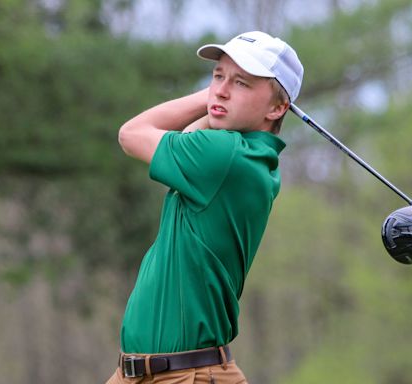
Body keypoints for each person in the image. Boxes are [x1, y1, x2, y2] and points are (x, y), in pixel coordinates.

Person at [106, 31, 304, 384]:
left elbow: (132, 134)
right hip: (146, 373)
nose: (222, 89)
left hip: (186, 375)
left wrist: (207, 98)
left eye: (241, 82)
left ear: (277, 108)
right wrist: (220, 101)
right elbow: (184, 138)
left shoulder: (225, 156)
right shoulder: (246, 156)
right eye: (217, 76)